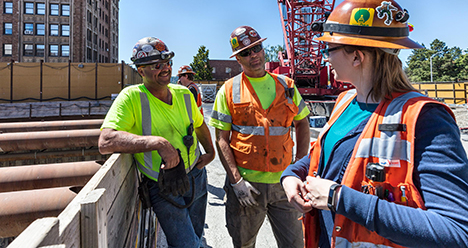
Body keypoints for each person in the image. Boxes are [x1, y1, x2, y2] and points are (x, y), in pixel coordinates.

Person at [281, 0, 468, 248]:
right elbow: (327, 156)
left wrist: (338, 198)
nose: (325, 58)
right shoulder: (347, 101)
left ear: (357, 57)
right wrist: (291, 174)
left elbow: (464, 235)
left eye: (329, 49)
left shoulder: (425, 118)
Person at [98, 36, 216, 248]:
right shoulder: (131, 97)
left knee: (196, 237)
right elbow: (106, 141)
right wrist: (158, 143)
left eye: (167, 62)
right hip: (163, 184)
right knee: (187, 245)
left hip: (196, 176)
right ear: (141, 71)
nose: (165, 69)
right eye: (157, 65)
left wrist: (210, 152)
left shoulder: (184, 94)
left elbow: (199, 125)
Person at [208, 26, 311, 248]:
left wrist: (300, 166)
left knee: (295, 244)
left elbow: (302, 122)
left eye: (256, 48)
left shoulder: (287, 86)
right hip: (247, 185)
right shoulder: (229, 89)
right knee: (244, 243)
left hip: (285, 184)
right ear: (238, 59)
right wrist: (236, 182)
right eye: (245, 52)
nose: (253, 55)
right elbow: (222, 140)